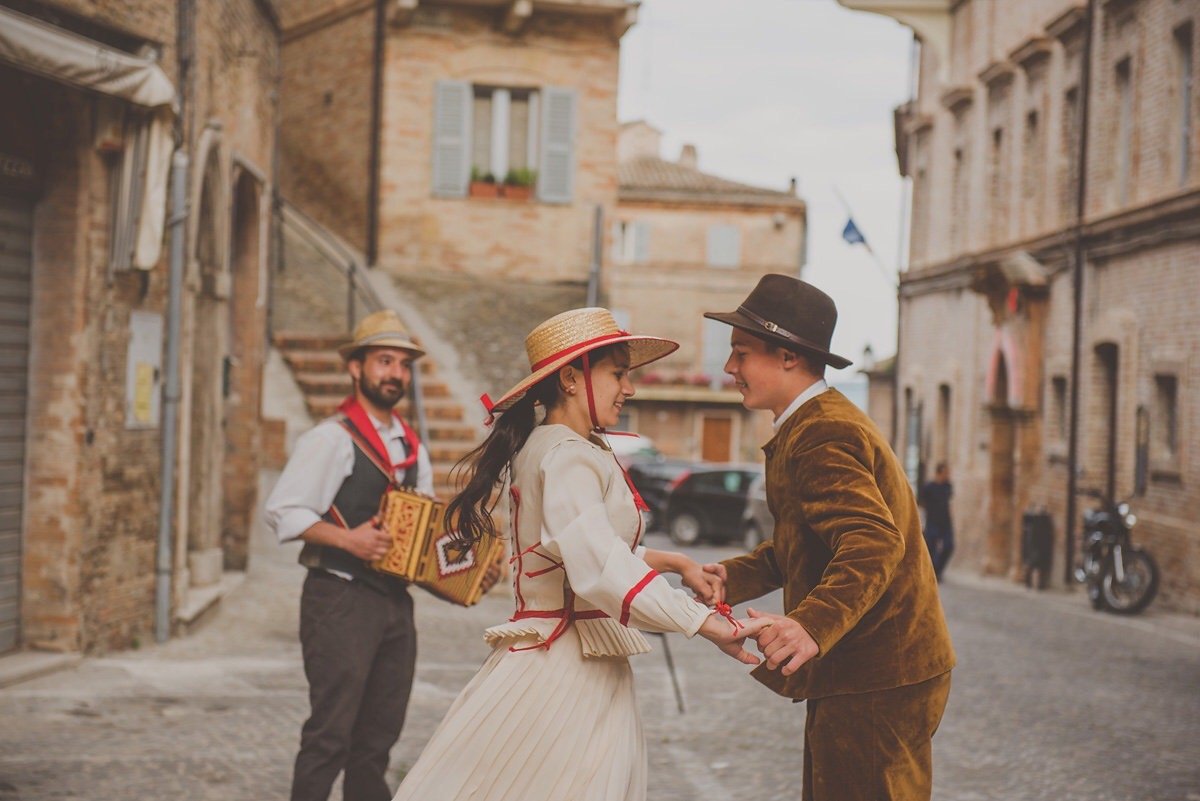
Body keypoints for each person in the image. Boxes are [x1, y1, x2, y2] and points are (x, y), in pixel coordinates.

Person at [390, 307, 769, 801]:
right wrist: (707, 623)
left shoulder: (561, 445)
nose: (629, 388)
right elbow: (598, 563)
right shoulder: (565, 454)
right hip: (564, 667)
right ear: (570, 378)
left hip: (574, 655)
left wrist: (678, 563)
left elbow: (588, 546)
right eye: (617, 374)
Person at [700, 275, 956, 801]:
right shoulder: (807, 424)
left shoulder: (822, 431)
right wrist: (733, 577)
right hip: (865, 670)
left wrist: (810, 624)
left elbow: (872, 541)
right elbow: (808, 541)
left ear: (788, 356)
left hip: (877, 673)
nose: (730, 368)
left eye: (741, 353)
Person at [266, 310, 439, 801]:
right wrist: (349, 540)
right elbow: (282, 511)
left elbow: (420, 528)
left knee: (377, 741)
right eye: (384, 361)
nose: (395, 374)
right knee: (330, 736)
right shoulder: (330, 438)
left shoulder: (412, 447)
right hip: (338, 598)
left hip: (393, 604)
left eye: (403, 365)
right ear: (356, 369)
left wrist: (459, 568)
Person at [918, 462, 955, 581]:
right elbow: (922, 505)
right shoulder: (928, 487)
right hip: (932, 521)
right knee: (931, 546)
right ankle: (931, 572)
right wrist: (922, 521)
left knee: (949, 545)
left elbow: (948, 503)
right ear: (939, 473)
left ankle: (937, 571)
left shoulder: (948, 487)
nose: (948, 475)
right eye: (946, 473)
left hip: (945, 522)